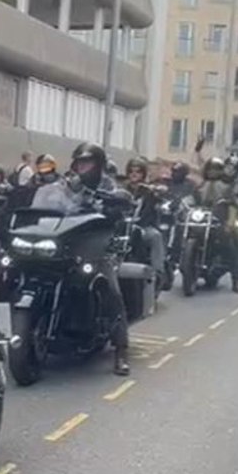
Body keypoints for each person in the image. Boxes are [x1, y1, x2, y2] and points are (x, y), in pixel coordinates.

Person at [32, 143, 134, 375]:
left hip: (99, 247)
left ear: (98, 165)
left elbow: (120, 207)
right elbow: (53, 198)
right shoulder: (67, 184)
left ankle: (121, 350)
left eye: (86, 163)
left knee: (111, 291)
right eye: (79, 162)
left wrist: (115, 206)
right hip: (70, 243)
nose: (81, 167)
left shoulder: (108, 185)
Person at [193, 156, 238, 293]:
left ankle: (237, 280)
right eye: (210, 169)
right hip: (200, 219)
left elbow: (235, 205)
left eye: (216, 169)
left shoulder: (228, 185)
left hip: (219, 221)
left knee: (227, 246)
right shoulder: (201, 184)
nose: (212, 172)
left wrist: (229, 223)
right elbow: (192, 198)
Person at [122, 158, 168, 287]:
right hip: (122, 228)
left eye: (138, 171)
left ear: (143, 173)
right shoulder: (121, 188)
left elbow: (161, 193)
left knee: (155, 236)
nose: (134, 174)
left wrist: (158, 191)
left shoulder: (149, 190)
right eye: (131, 171)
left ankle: (158, 274)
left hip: (142, 226)